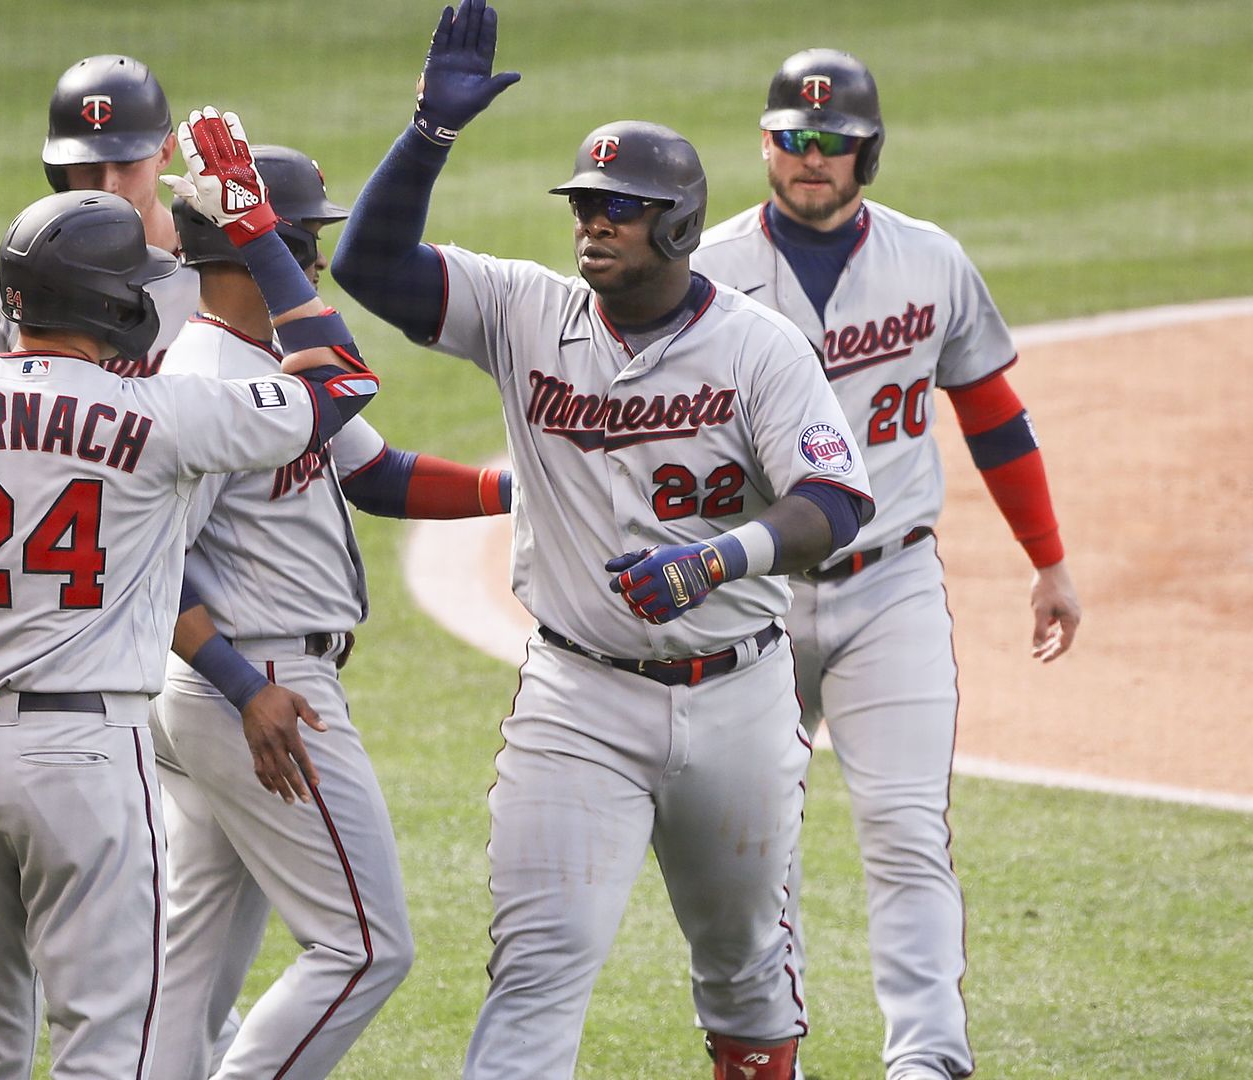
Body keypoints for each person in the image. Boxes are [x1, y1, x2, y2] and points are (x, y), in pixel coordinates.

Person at [331, 3, 879, 1078]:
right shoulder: (523, 311)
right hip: (577, 697)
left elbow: (836, 505)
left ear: (678, 226)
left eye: (623, 209)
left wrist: (714, 559)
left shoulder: (759, 349)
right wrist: (428, 137)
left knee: (745, 973)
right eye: (585, 204)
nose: (594, 224)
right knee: (539, 966)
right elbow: (371, 268)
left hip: (738, 696)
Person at [0, 182, 382, 1079]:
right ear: (114, 303)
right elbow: (344, 381)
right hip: (84, 762)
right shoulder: (162, 415)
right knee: (107, 1050)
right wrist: (256, 235)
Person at [690, 49, 1084, 1080]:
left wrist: (1048, 560)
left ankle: (929, 1060)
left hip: (891, 585)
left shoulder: (929, 260)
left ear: (869, 151)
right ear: (766, 147)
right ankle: (769, 1054)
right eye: (790, 139)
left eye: (831, 143)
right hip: (755, 595)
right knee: (753, 849)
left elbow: (995, 419)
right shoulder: (712, 271)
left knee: (907, 830)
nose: (809, 159)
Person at [149, 120, 513, 1080]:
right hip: (259, 691)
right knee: (365, 949)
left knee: (192, 969)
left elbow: (380, 474)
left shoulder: (267, 364)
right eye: (296, 241)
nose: (311, 261)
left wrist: (526, 490)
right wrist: (242, 686)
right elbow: (151, 569)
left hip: (249, 690)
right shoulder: (202, 381)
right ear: (244, 247)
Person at [0, 54, 200, 378]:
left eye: (126, 163)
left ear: (166, 153)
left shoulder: (211, 279)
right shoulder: (15, 278)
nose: (107, 185)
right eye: (88, 168)